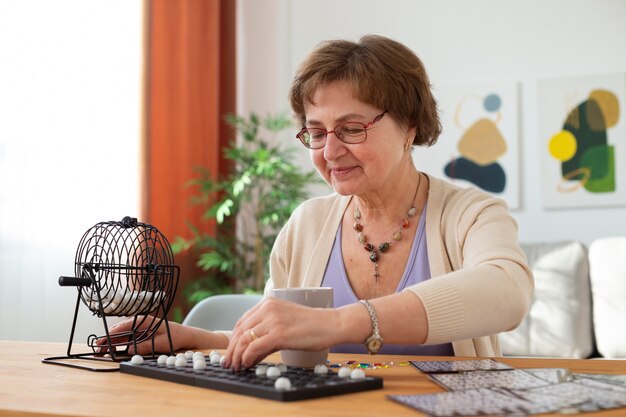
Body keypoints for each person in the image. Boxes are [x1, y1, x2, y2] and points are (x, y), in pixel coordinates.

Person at [103, 34, 534, 371]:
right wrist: (198, 339)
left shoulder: (471, 213)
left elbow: (507, 291)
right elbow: (281, 339)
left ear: (409, 127)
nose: (329, 152)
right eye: (317, 132)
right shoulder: (306, 224)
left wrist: (341, 322)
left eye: (351, 129)